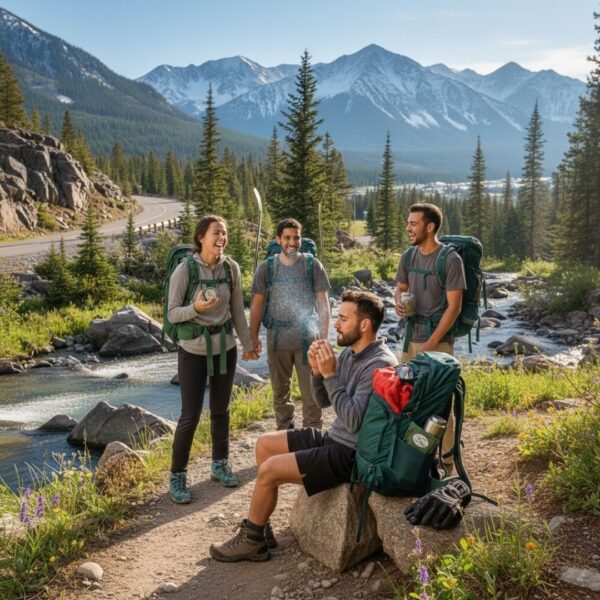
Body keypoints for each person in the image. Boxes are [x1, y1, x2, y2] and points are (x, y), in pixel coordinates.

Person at [209, 290, 398, 562]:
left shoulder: (379, 364)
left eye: (343, 319)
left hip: (351, 455)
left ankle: (251, 541)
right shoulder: (351, 354)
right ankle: (262, 529)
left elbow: (354, 421)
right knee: (265, 445)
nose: (335, 324)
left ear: (365, 325)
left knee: (270, 470)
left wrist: (331, 374)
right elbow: (323, 402)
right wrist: (317, 372)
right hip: (335, 439)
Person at [167, 215, 259, 504]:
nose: (222, 238)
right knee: (190, 415)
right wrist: (195, 307)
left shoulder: (231, 269)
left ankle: (220, 465)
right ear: (201, 238)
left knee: (221, 410)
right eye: (216, 233)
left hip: (225, 349)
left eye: (225, 233)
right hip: (193, 350)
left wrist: (248, 344)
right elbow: (172, 314)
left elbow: (237, 312)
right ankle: (177, 477)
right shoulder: (185, 271)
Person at [394, 202, 466, 474]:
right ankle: (413, 455)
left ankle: (447, 459)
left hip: (439, 343)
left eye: (413, 223)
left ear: (430, 226)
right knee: (406, 397)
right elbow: (400, 287)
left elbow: (454, 306)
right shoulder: (408, 257)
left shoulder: (450, 259)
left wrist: (432, 343)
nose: (408, 228)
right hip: (411, 337)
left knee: (441, 401)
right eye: (408, 222)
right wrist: (398, 302)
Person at [249, 218, 330, 430]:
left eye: (296, 237)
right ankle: (285, 435)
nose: (292, 242)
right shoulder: (266, 268)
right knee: (280, 395)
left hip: (308, 341)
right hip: (276, 341)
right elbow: (256, 305)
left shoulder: (313, 266)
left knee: (312, 393)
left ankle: (312, 436)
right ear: (278, 240)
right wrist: (252, 338)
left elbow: (323, 303)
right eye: (287, 237)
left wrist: (323, 337)